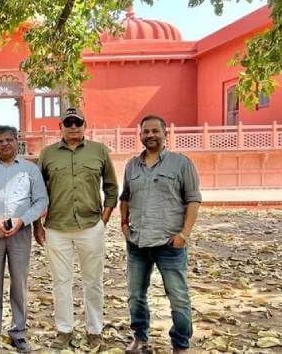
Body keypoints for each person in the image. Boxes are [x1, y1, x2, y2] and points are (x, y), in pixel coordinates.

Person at [33, 107, 119, 351]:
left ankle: (94, 330)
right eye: (68, 123)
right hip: (56, 228)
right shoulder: (48, 154)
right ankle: (64, 330)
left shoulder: (99, 151)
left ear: (85, 125)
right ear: (60, 126)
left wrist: (104, 220)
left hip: (91, 225)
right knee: (61, 282)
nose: (73, 127)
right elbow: (38, 193)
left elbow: (112, 188)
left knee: (93, 281)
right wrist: (36, 227)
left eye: (77, 122)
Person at [120, 115, 202, 354]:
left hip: (170, 243)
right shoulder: (132, 165)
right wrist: (124, 224)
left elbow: (193, 200)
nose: (150, 135)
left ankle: (180, 344)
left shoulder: (181, 163)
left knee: (177, 296)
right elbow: (125, 197)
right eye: (146, 131)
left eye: (155, 131)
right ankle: (140, 337)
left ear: (166, 134)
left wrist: (184, 234)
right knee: (136, 295)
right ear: (140, 135)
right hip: (138, 241)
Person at [0, 126, 49, 353]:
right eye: (0, 141)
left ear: (17, 141)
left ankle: (19, 331)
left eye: (9, 140)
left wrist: (21, 221)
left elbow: (41, 201)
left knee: (20, 282)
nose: (5, 144)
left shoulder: (30, 169)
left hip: (20, 232)